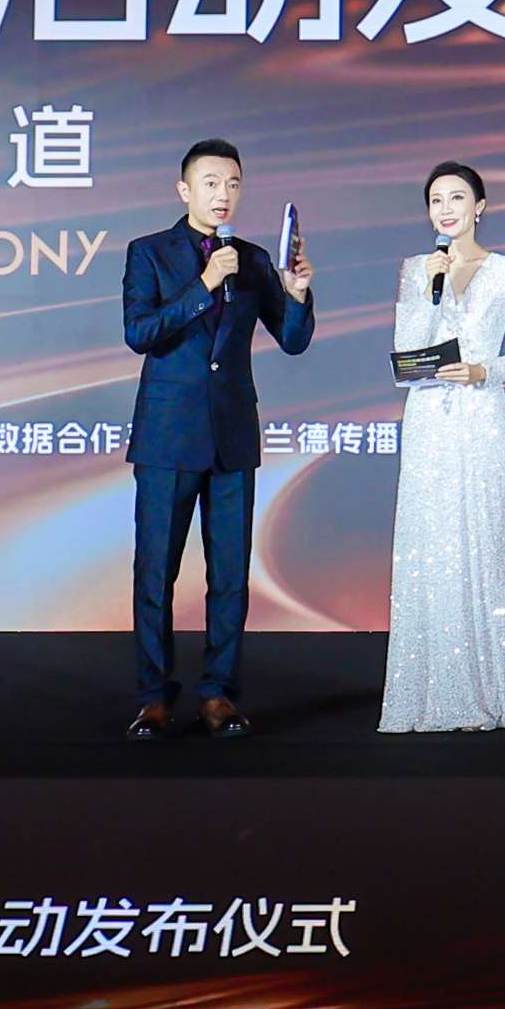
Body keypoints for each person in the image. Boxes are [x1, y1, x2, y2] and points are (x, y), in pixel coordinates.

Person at [121, 138, 313, 739]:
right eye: (210, 183)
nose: (222, 194)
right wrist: (204, 284)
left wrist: (297, 294)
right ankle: (154, 697)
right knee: (156, 573)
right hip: (167, 436)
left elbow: (292, 340)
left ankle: (218, 695)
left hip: (232, 437)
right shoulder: (149, 252)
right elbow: (140, 332)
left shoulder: (253, 260)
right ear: (184, 190)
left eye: (232, 183)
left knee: (229, 575)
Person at [381, 160, 505, 732]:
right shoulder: (416, 270)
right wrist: (427, 291)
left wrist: (481, 371)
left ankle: (483, 694)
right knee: (427, 545)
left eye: (456, 198)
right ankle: (427, 694)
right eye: (435, 201)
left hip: (482, 416)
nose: (445, 210)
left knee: (477, 539)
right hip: (428, 419)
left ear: (479, 207)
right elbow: (405, 354)